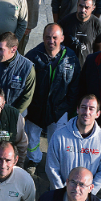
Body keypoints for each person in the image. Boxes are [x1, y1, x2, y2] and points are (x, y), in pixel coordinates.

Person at [24, 23, 80, 175]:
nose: (51, 41)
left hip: (59, 110)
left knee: (57, 140)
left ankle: (54, 162)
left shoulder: (71, 59)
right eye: (48, 37)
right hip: (36, 109)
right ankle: (33, 160)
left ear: (62, 38)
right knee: (32, 137)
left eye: (55, 37)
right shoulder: (32, 57)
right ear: (43, 37)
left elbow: (75, 86)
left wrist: (68, 107)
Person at [46, 94, 101, 192]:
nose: (86, 112)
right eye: (83, 107)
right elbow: (51, 167)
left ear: (98, 114)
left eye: (91, 109)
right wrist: (61, 193)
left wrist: (88, 194)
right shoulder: (59, 135)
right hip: (60, 193)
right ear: (77, 109)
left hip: (86, 198)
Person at [0, 32, 36, 114]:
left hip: (15, 114)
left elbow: (27, 96)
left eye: (1, 49)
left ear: (13, 49)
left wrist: (13, 115)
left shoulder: (27, 68)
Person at [58, 0, 101, 67]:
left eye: (87, 7)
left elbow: (98, 49)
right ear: (77, 4)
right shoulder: (66, 21)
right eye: (80, 6)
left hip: (87, 67)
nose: (83, 10)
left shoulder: (97, 25)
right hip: (67, 66)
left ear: (93, 8)